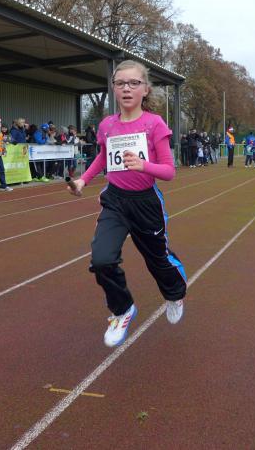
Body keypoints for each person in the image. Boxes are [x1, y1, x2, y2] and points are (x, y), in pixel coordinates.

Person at [67, 60, 186, 348]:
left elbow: (169, 171)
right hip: (116, 200)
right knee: (101, 260)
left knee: (158, 260)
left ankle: (174, 295)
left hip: (146, 203)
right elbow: (103, 157)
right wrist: (83, 181)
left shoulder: (154, 124)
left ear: (145, 89)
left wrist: (144, 165)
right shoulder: (107, 125)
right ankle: (122, 309)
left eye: (134, 83)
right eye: (120, 83)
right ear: (113, 88)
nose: (127, 88)